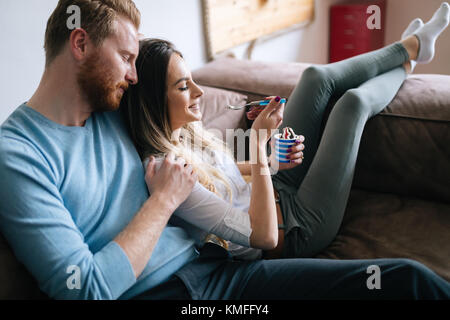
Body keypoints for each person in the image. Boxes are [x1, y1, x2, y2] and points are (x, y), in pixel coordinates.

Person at [0, 0, 448, 301]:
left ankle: (408, 52)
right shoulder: (19, 155)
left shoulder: (115, 108)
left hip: (218, 262)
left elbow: (191, 134)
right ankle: (409, 54)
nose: (134, 75)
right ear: (80, 44)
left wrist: (263, 154)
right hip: (185, 293)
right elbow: (86, 289)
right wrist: (163, 201)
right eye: (126, 58)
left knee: (406, 279)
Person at [121, 3, 450, 263]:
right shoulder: (170, 176)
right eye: (183, 86)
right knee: (352, 105)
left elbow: (225, 174)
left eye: (193, 79)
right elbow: (264, 236)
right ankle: (409, 58)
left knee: (314, 79)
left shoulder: (185, 132)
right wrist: (259, 146)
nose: (200, 92)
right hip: (294, 228)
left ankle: (410, 48)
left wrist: (273, 162)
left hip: (276, 188)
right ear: (153, 100)